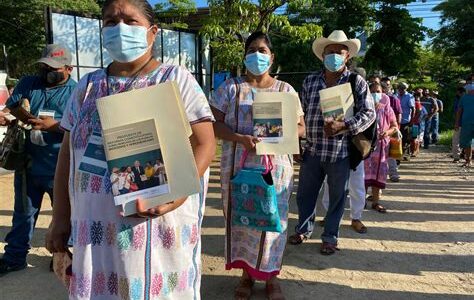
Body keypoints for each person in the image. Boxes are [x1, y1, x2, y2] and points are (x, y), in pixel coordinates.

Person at [45, 1, 216, 299]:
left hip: (156, 223)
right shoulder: (87, 86)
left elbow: (205, 143)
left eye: (129, 20)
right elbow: (68, 154)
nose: (119, 28)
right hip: (94, 232)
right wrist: (60, 217)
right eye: (110, 21)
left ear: (152, 33)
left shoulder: (175, 80)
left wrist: (174, 196)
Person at [210, 31, 305, 300]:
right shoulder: (230, 88)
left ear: (272, 57)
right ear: (245, 55)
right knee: (243, 221)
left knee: (274, 221)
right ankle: (246, 275)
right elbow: (212, 125)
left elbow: (301, 127)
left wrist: (278, 130)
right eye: (252, 49)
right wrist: (239, 137)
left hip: (276, 169)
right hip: (237, 168)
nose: (257, 55)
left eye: (263, 50)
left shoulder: (286, 91)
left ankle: (272, 277)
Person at [289, 30, 375, 255]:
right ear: (322, 55)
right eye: (330, 52)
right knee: (305, 194)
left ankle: (330, 237)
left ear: (347, 56)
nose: (334, 55)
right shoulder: (309, 81)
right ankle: (302, 229)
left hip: (341, 152)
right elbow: (302, 115)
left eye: (339, 52)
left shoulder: (356, 81)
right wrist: (296, 144)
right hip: (313, 149)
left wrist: (345, 125)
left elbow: (369, 113)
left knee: (338, 198)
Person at [0, 44, 76, 276]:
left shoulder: (77, 91)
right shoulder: (29, 83)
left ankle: (61, 257)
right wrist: (15, 117)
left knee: (64, 216)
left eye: (52, 68)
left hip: (60, 168)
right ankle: (15, 258)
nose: (46, 73)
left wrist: (54, 126)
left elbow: (85, 127)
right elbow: (14, 106)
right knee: (23, 214)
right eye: (43, 67)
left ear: (69, 69)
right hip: (29, 164)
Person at [365, 82, 397, 213]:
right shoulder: (363, 106)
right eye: (372, 91)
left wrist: (387, 132)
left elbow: (394, 126)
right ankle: (360, 202)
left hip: (382, 146)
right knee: (363, 174)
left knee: (378, 173)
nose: (376, 94)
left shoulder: (387, 108)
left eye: (378, 91)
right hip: (366, 145)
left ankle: (376, 202)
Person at [321, 161, 367, 233]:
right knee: (331, 183)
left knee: (357, 185)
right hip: (334, 154)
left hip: (356, 153)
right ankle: (330, 215)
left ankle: (356, 218)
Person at [381, 79, 402, 182]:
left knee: (391, 154)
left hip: (390, 130)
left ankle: (393, 174)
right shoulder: (370, 100)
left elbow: (398, 113)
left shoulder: (393, 99)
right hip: (378, 134)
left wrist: (396, 128)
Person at [455, 82, 474, 167]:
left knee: (468, 143)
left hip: (466, 123)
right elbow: (459, 111)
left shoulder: (464, 97)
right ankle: (468, 160)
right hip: (466, 123)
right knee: (467, 143)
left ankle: (469, 160)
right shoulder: (464, 97)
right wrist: (457, 123)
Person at [397, 82, 415, 160]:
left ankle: (405, 154)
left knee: (405, 138)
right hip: (397, 121)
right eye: (400, 88)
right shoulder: (396, 96)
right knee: (398, 138)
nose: (401, 89)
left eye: (403, 88)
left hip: (406, 121)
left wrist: (412, 121)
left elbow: (413, 109)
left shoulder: (409, 96)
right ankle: (399, 154)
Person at [452, 86, 466, 162]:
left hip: (462, 123)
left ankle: (460, 156)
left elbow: (457, 112)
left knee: (456, 140)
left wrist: (456, 123)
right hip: (463, 123)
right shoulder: (457, 99)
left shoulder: (461, 100)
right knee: (457, 140)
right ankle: (458, 156)